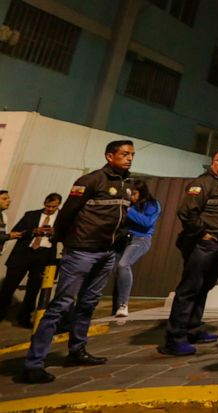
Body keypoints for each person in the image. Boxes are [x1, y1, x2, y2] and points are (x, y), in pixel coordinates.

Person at [18, 140, 134, 384]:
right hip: (82, 251)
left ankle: (76, 350)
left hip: (107, 252)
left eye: (131, 154)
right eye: (124, 154)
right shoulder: (90, 181)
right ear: (109, 156)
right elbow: (68, 213)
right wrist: (63, 241)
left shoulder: (125, 185)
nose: (129, 158)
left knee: (88, 303)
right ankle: (33, 363)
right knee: (61, 304)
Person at [161, 149, 218, 356]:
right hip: (204, 245)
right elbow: (186, 212)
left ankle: (193, 328)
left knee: (204, 287)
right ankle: (175, 338)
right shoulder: (202, 184)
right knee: (190, 289)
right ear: (212, 163)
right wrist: (203, 234)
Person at [0, 193, 58, 328]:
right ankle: (1, 313)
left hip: (44, 255)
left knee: (33, 289)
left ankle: (24, 317)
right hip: (24, 253)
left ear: (58, 206)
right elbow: (16, 232)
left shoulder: (61, 219)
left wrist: (54, 233)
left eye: (53, 207)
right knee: (9, 286)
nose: (49, 209)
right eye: (47, 206)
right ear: (44, 203)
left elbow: (67, 236)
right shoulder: (31, 215)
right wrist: (33, 231)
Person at [113, 180, 161, 317]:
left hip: (141, 239)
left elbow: (146, 223)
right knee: (117, 271)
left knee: (123, 264)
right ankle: (116, 306)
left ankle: (123, 304)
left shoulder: (152, 204)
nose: (132, 197)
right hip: (123, 239)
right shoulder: (128, 204)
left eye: (135, 193)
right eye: (130, 194)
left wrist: (128, 209)